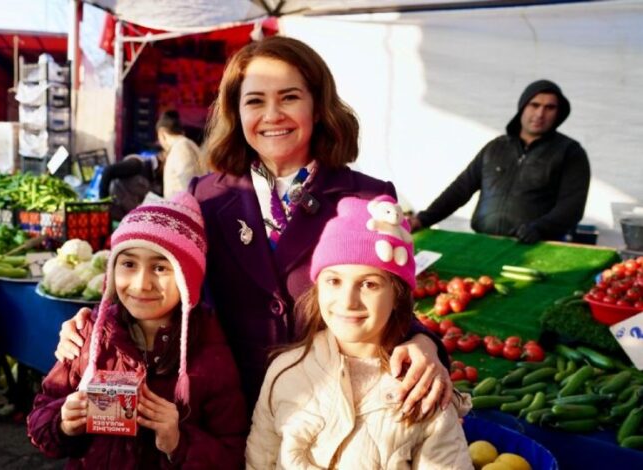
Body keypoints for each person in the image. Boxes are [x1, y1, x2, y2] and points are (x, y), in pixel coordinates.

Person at [57, 36, 450, 419]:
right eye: (255, 101)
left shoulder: (368, 197)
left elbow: (392, 302)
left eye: (289, 97)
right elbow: (163, 286)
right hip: (227, 414)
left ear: (318, 106)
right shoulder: (204, 196)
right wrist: (95, 324)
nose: (272, 115)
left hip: (332, 413)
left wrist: (424, 342)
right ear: (236, 112)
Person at [245, 195, 472, 469]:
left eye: (369, 284)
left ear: (397, 296)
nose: (348, 301)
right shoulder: (284, 371)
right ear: (317, 289)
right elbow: (260, 460)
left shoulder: (423, 389)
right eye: (334, 281)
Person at [28, 193, 248, 468]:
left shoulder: (209, 352)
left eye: (160, 267)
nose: (141, 284)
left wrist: (178, 443)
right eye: (129, 264)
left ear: (188, 278)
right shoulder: (89, 336)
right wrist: (62, 423)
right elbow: (39, 422)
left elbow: (232, 454)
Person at [409, 79, 590, 243]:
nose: (540, 113)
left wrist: (539, 228)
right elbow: (460, 189)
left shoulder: (570, 152)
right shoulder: (495, 147)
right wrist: (423, 219)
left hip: (536, 246)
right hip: (482, 243)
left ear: (559, 113)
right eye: (534, 105)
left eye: (550, 108)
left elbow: (571, 208)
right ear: (522, 107)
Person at [157, 110, 205, 199]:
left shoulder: (181, 147)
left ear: (162, 133)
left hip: (185, 206)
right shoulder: (184, 145)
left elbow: (189, 187)